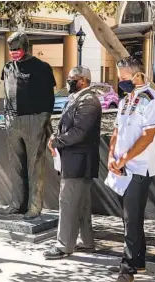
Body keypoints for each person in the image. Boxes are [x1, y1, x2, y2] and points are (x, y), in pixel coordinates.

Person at [106, 56, 155, 282]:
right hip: (121, 168)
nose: (120, 82)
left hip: (139, 168)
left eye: (124, 78)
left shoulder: (153, 100)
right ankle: (137, 261)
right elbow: (116, 131)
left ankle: (128, 267)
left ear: (137, 75)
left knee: (132, 219)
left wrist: (124, 159)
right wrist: (112, 156)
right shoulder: (125, 100)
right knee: (129, 218)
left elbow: (148, 136)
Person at [43, 66, 102, 260]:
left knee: (67, 203)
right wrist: (54, 137)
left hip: (79, 161)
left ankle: (63, 246)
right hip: (73, 160)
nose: (69, 82)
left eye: (72, 78)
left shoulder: (89, 101)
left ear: (83, 80)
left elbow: (79, 132)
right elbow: (65, 126)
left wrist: (56, 142)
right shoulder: (76, 98)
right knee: (81, 204)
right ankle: (86, 242)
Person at [0, 31, 56, 220]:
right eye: (11, 49)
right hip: (12, 121)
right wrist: (6, 117)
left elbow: (49, 99)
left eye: (16, 49)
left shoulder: (42, 68)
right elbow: (7, 95)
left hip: (35, 119)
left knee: (34, 166)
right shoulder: (7, 68)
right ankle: (16, 204)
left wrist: (42, 121)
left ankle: (34, 206)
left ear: (25, 47)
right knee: (16, 166)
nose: (13, 52)